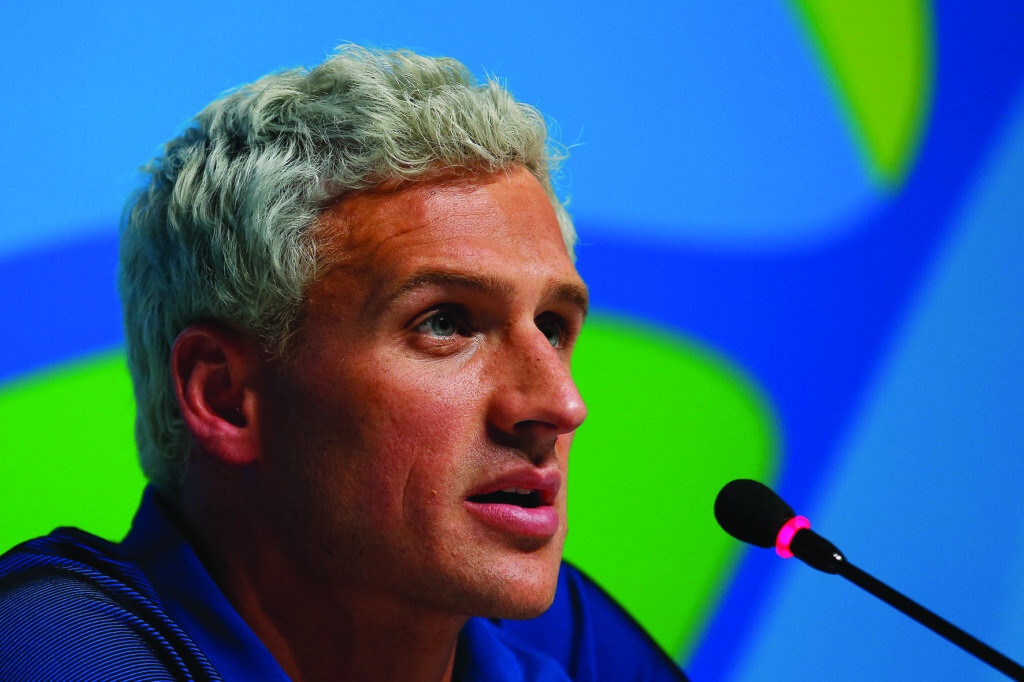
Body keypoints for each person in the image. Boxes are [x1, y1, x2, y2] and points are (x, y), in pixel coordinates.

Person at [0, 46, 687, 681]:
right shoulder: (63, 642)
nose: (559, 405)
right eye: (445, 323)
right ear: (224, 396)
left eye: (552, 326)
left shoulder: (562, 637)